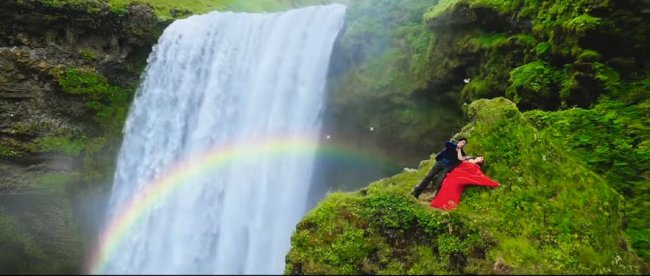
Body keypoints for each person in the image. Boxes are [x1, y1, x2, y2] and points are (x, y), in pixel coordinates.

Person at [430, 148, 499, 210]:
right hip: (454, 174)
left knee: (457, 188)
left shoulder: (477, 167)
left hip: (462, 176)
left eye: (482, 159)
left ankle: (448, 206)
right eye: (481, 157)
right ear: (477, 156)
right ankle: (438, 204)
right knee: (446, 187)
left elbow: (479, 175)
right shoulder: (467, 158)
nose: (481, 159)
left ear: (481, 162)